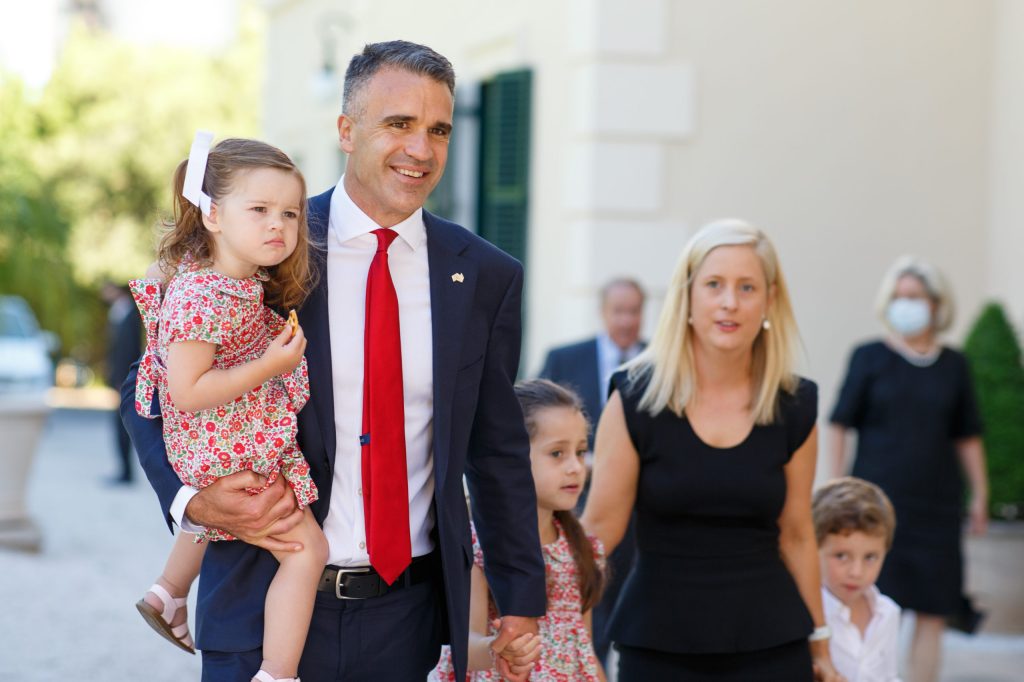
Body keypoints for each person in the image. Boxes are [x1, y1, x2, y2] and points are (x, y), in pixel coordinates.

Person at [121, 41, 546, 682]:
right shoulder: (268, 239)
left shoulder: (484, 275)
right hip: (261, 608)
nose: (421, 150)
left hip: (409, 623)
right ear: (346, 130)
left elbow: (498, 448)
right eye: (398, 124)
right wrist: (191, 500)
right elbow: (146, 384)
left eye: (438, 130)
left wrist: (518, 601)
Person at [581, 219, 844, 681]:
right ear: (688, 297)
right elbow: (599, 532)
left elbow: (798, 533)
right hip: (659, 643)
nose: (729, 302)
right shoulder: (636, 397)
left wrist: (821, 645)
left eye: (747, 287)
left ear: (769, 299)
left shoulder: (795, 404)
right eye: (714, 285)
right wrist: (572, 636)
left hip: (772, 643)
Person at [131, 134, 328, 682]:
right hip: (225, 444)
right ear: (213, 214)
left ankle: (168, 593)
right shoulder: (200, 295)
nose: (278, 225)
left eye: (290, 213)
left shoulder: (234, 283)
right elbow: (187, 391)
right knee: (307, 549)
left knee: (257, 533)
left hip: (231, 438)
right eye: (260, 210)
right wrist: (270, 364)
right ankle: (277, 674)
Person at [828, 255, 989, 682]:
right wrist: (839, 484)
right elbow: (840, 421)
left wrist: (981, 494)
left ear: (936, 304)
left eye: (915, 297)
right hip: (876, 506)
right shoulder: (869, 357)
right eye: (899, 298)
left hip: (937, 506)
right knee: (871, 603)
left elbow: (967, 435)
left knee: (934, 610)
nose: (907, 305)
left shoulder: (954, 365)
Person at [432, 379, 607, 681]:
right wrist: (500, 649)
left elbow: (585, 647)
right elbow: (466, 645)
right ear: (510, 456)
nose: (576, 468)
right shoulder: (477, 543)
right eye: (557, 453)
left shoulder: (582, 547)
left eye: (580, 452)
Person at [537, 276, 644, 669]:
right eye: (619, 311)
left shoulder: (655, 363)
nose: (627, 320)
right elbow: (538, 419)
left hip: (633, 513)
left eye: (634, 311)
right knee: (584, 609)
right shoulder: (565, 357)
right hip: (574, 505)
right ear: (603, 312)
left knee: (619, 603)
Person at [813, 477, 901, 682]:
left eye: (870, 557)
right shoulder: (807, 615)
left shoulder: (887, 613)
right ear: (814, 550)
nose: (856, 572)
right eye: (841, 556)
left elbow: (889, 676)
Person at [101, 280, 143, 484]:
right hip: (119, 378)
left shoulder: (130, 314)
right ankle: (123, 469)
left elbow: (128, 350)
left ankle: (126, 472)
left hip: (124, 379)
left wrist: (123, 379)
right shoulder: (119, 312)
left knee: (123, 424)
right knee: (118, 424)